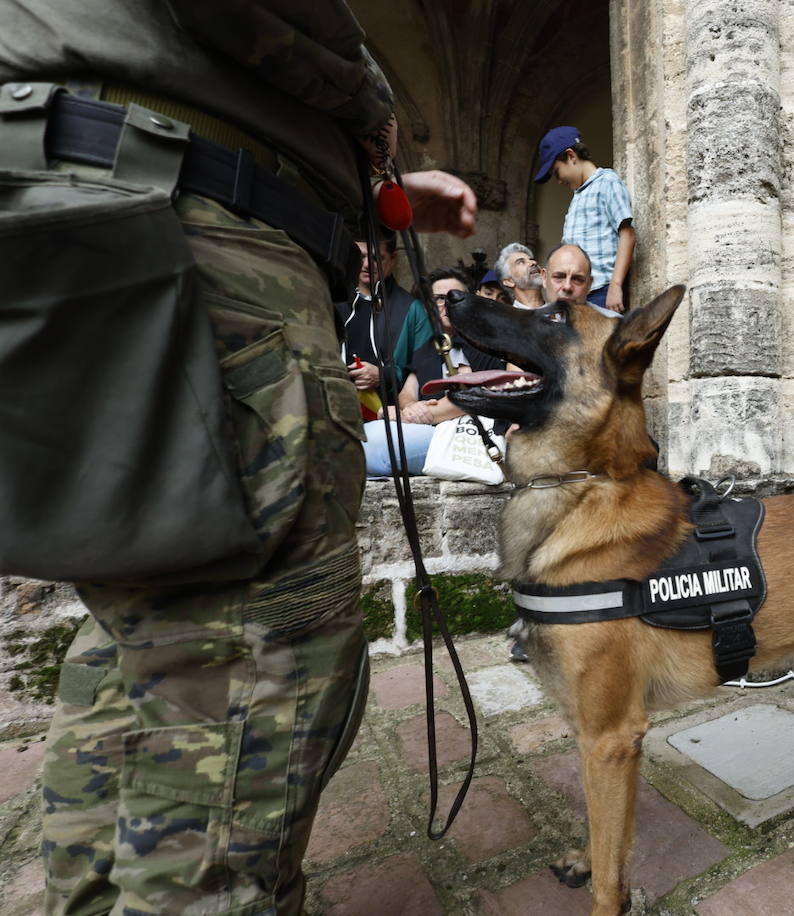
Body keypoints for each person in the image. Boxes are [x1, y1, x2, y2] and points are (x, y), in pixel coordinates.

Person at [0, 3, 477, 913]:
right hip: (189, 233)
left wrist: (365, 190)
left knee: (151, 635)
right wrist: (368, 108)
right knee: (254, 658)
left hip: (79, 200)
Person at [362, 269, 499, 476]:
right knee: (366, 437)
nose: (448, 305)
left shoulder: (486, 343)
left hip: (469, 435)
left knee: (375, 443)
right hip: (431, 431)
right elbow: (407, 391)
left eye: (456, 297)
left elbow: (472, 397)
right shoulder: (426, 348)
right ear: (428, 307)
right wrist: (410, 407)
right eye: (440, 299)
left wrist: (415, 416)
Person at [533, 126, 636, 313]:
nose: (558, 181)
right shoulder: (577, 197)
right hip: (576, 294)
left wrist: (616, 285)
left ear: (571, 156)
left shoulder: (607, 181)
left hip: (602, 291)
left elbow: (627, 235)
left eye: (557, 171)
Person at [336, 231, 420, 397]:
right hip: (336, 400)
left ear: (393, 258)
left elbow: (424, 367)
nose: (367, 264)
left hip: (388, 411)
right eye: (360, 257)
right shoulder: (332, 300)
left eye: (377, 258)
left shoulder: (411, 308)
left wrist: (384, 375)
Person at [545, 242, 622, 318]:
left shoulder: (615, 326)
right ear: (544, 278)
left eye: (577, 279)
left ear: (589, 285)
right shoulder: (532, 324)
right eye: (559, 277)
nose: (567, 287)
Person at [495, 241, 546, 310]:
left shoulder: (561, 315)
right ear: (509, 281)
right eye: (521, 262)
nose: (533, 263)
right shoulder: (508, 319)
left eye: (532, 259)